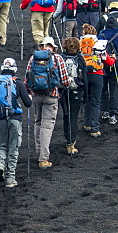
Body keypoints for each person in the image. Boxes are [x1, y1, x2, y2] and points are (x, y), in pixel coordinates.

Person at [24, 36, 71, 169]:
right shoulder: (57, 58)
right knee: (47, 126)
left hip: (36, 95)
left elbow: (27, 77)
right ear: (53, 47)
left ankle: (39, 151)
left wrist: (29, 92)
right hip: (51, 95)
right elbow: (65, 80)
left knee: (38, 122)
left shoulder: (34, 58)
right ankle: (43, 158)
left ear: (41, 47)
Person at [0, 57, 32, 187]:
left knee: (0, 145)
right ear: (14, 68)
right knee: (13, 147)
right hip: (15, 118)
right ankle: (10, 178)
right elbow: (28, 103)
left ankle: (0, 165)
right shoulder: (17, 82)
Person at [79, 24, 116, 137]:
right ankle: (94, 128)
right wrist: (113, 58)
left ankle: (87, 123)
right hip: (97, 75)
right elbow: (108, 61)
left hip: (84, 75)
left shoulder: (79, 44)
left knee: (86, 99)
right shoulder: (99, 43)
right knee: (96, 102)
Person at [59, 37, 85, 155]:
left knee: (66, 114)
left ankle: (67, 137)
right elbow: (84, 77)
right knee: (73, 117)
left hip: (62, 91)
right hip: (76, 91)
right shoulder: (80, 58)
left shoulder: (60, 58)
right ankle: (71, 142)